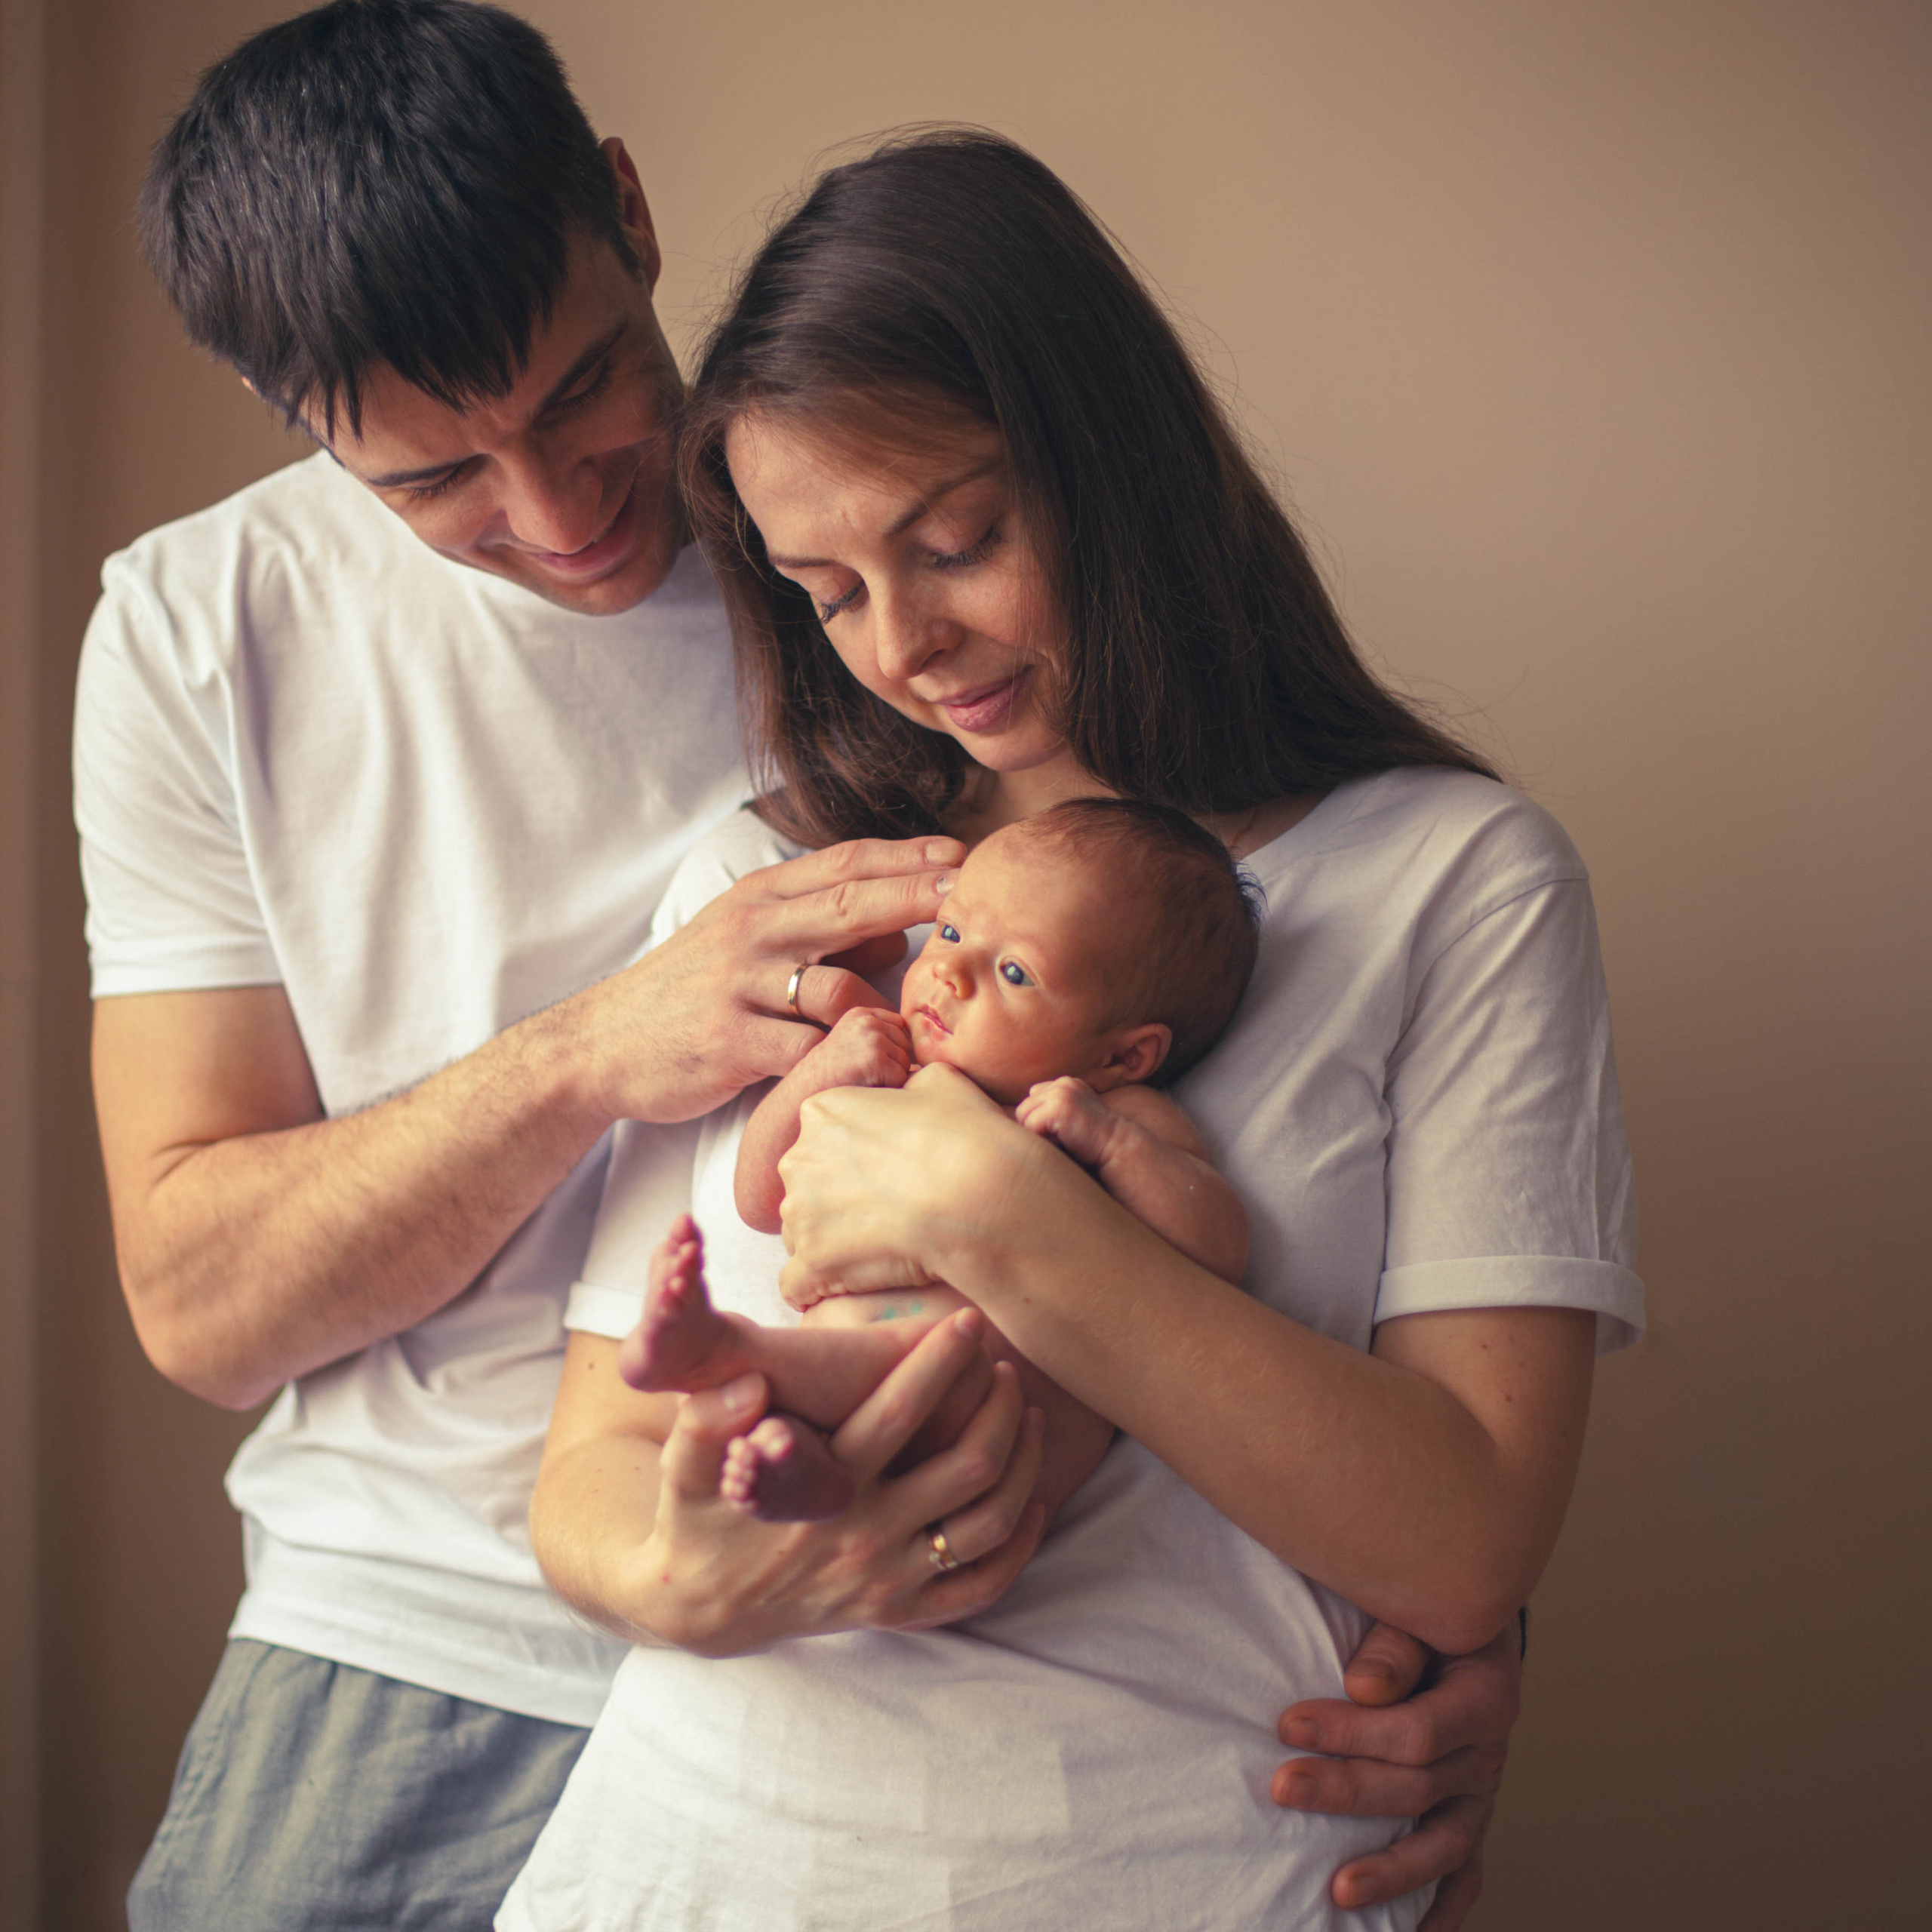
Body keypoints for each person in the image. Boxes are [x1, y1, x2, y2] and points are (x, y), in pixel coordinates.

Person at [82, 4, 1514, 1925]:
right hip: (422, 1625)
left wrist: (1437, 1614)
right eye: (435, 480)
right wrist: (594, 1050)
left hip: (927, 1674)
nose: (561, 513)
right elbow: (197, 1300)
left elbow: (1334, 1181)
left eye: (584, 390)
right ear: (294, 414)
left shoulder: (858, 544)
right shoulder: (199, 631)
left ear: (628, 211)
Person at [500, 130, 1642, 1930]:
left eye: (954, 540)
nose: (900, 643)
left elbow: (1462, 1540)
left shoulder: (1448, 880)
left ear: (1108, 460)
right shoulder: (767, 887)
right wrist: (687, 1577)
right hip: (689, 1856)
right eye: (826, 589)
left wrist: (990, 1210)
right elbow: (585, 1475)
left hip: (1177, 1863)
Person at [619, 799, 1257, 1523]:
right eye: (950, 932)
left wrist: (1111, 1142)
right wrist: (822, 1070)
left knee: (907, 1360)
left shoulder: (1118, 1113)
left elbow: (1215, 1250)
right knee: (817, 1371)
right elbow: (760, 1200)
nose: (948, 970)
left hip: (993, 1420)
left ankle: (727, 1356)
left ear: (1124, 1055)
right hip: (840, 1377)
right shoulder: (892, 1071)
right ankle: (784, 1443)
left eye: (1014, 972)